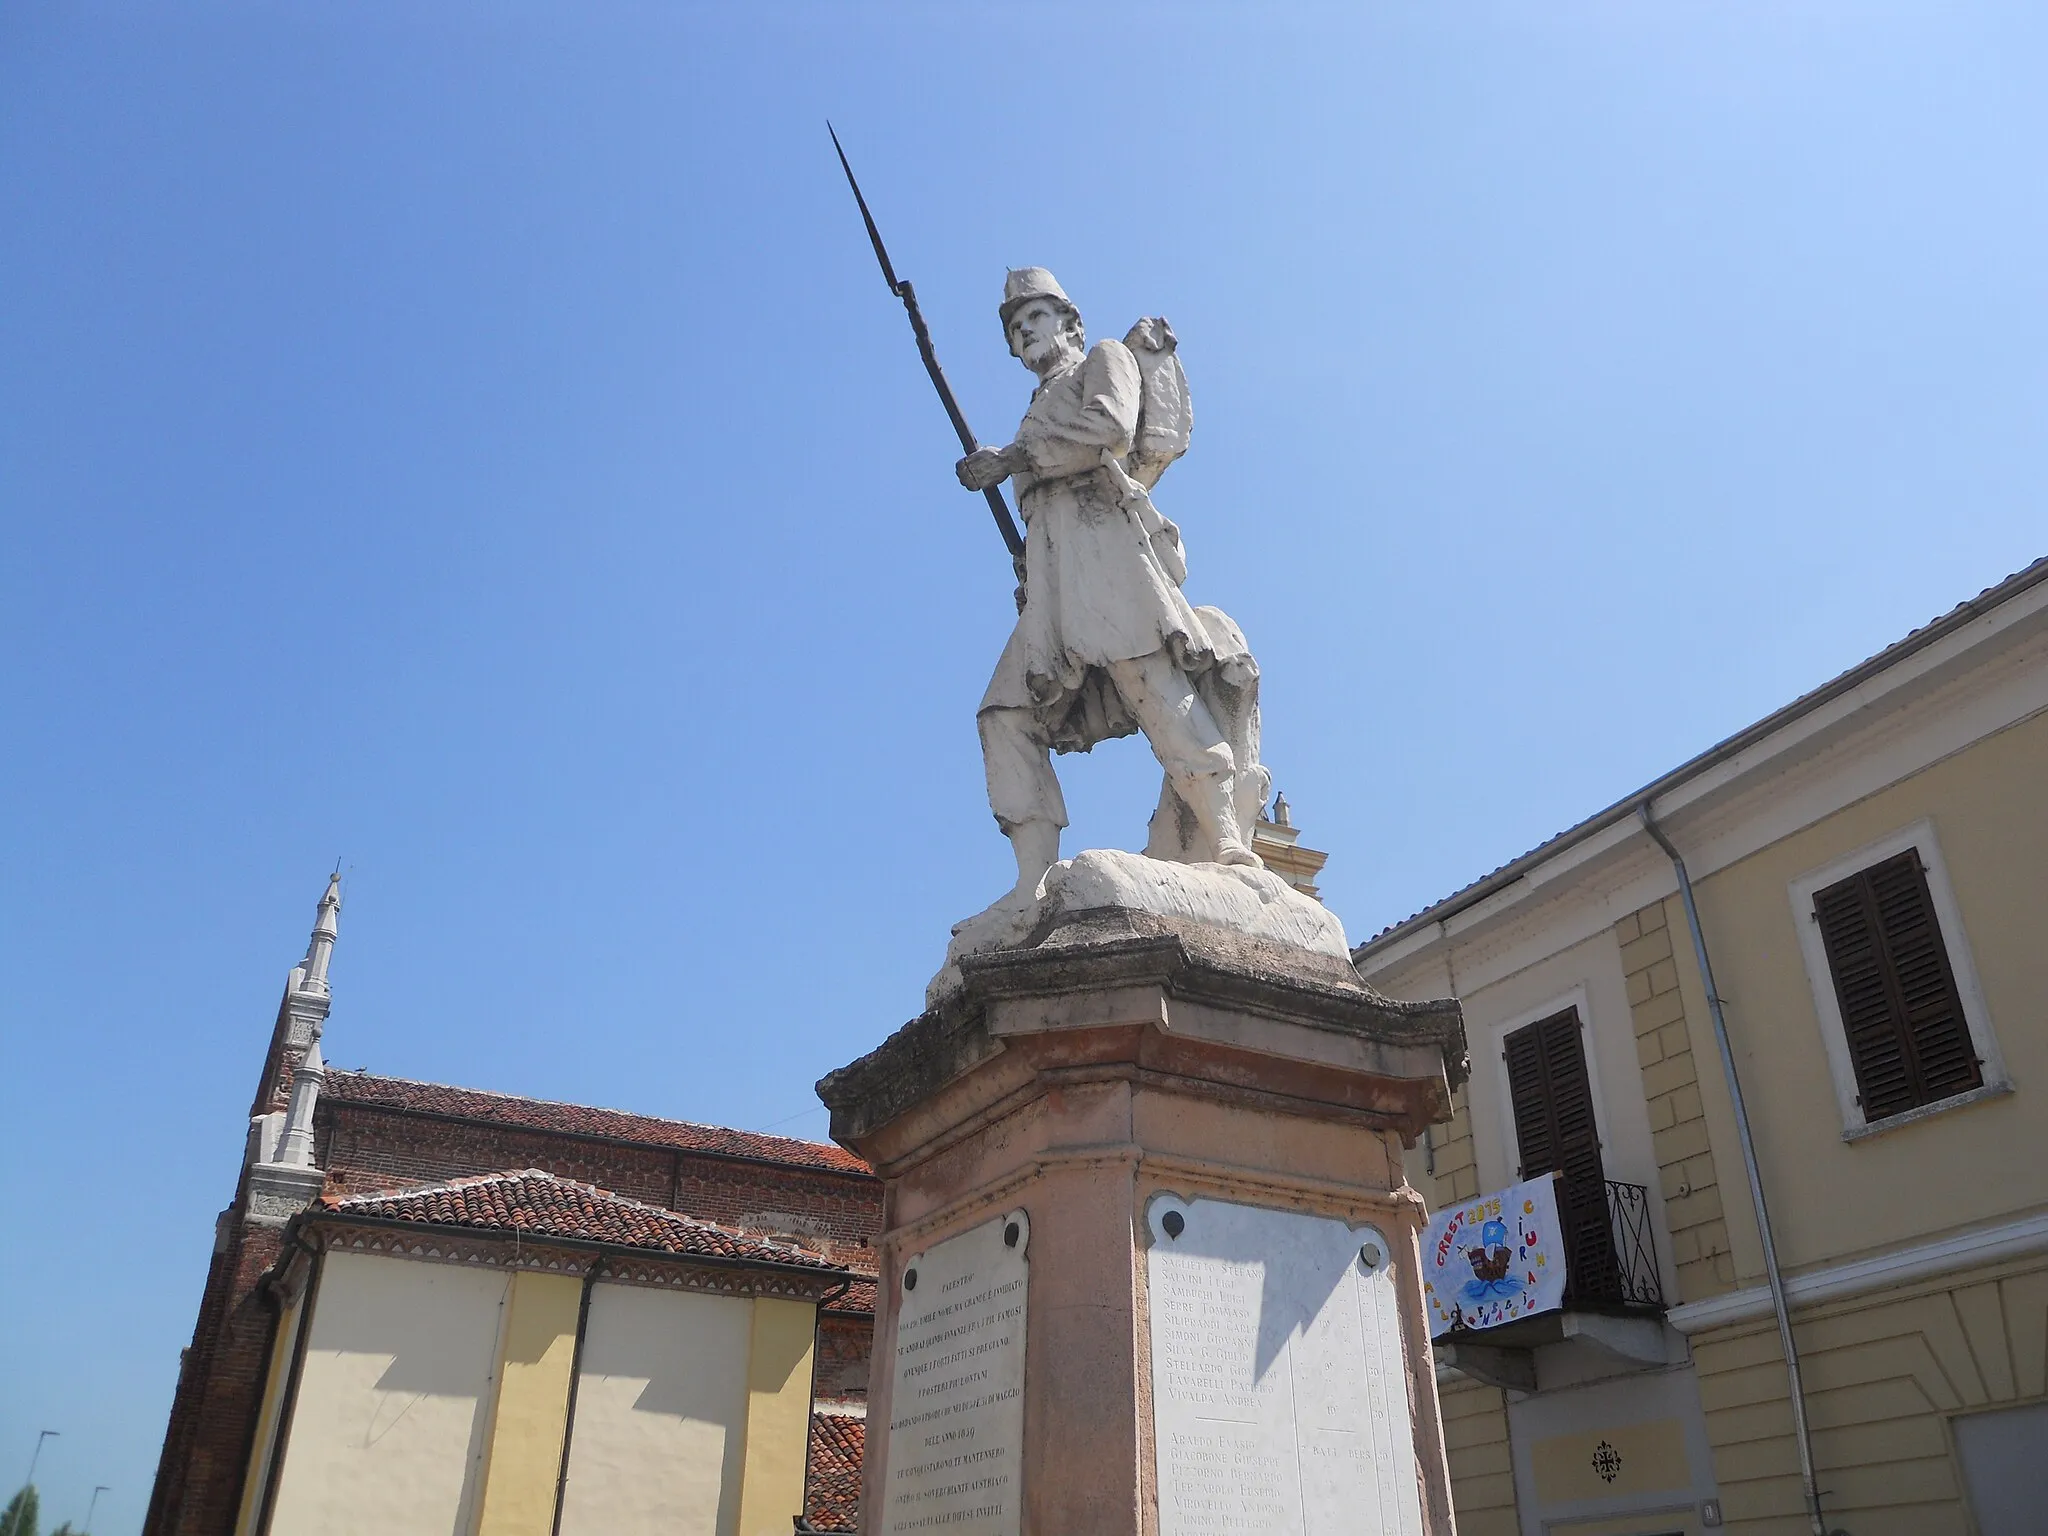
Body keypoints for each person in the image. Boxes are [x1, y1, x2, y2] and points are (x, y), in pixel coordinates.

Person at [955, 268, 1262, 899]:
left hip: (1107, 557)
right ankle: (1031, 885)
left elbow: (1111, 429)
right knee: (1005, 714)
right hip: (1050, 585)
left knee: (1153, 686)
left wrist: (1009, 461)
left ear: (1069, 320)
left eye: (1033, 318)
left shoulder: (1105, 358)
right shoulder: (1032, 412)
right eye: (1015, 330)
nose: (1024, 335)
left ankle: (1226, 837)